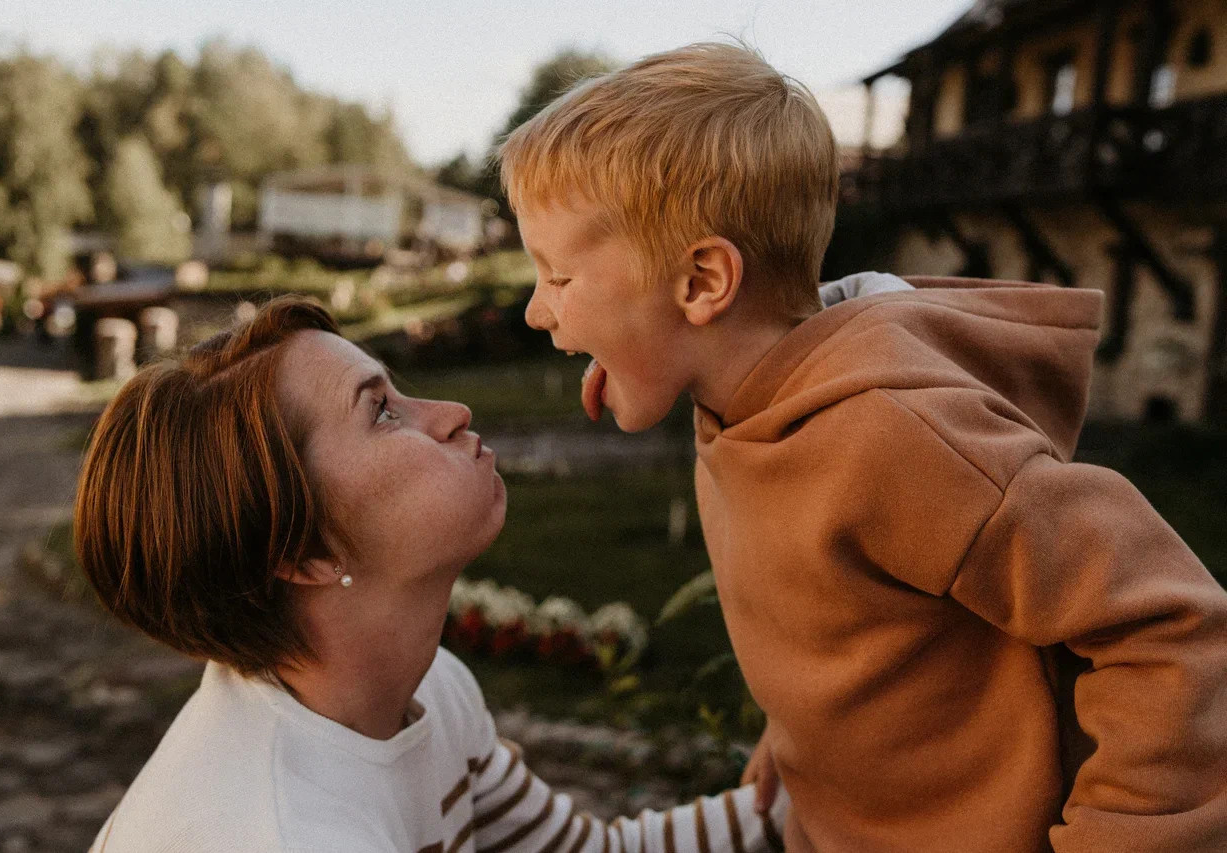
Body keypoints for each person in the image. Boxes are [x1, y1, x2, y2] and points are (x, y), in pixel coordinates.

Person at [502, 41, 1227, 852]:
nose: (538, 310)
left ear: (703, 282)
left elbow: (1168, 621)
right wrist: (804, 742)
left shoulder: (889, 436)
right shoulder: (741, 409)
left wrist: (1130, 834)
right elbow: (853, 618)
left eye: (559, 278)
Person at [76, 296, 789, 852]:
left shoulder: (427, 689)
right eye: (382, 412)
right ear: (303, 554)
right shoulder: (279, 831)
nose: (451, 414)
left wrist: (824, 768)